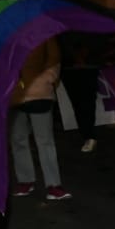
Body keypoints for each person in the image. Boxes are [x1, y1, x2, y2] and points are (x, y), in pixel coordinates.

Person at [9, 36, 70, 201]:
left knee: (45, 141)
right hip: (13, 96)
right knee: (18, 139)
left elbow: (54, 59)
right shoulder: (6, 33)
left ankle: (53, 184)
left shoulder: (44, 32)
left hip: (39, 95)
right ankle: (25, 180)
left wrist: (43, 80)